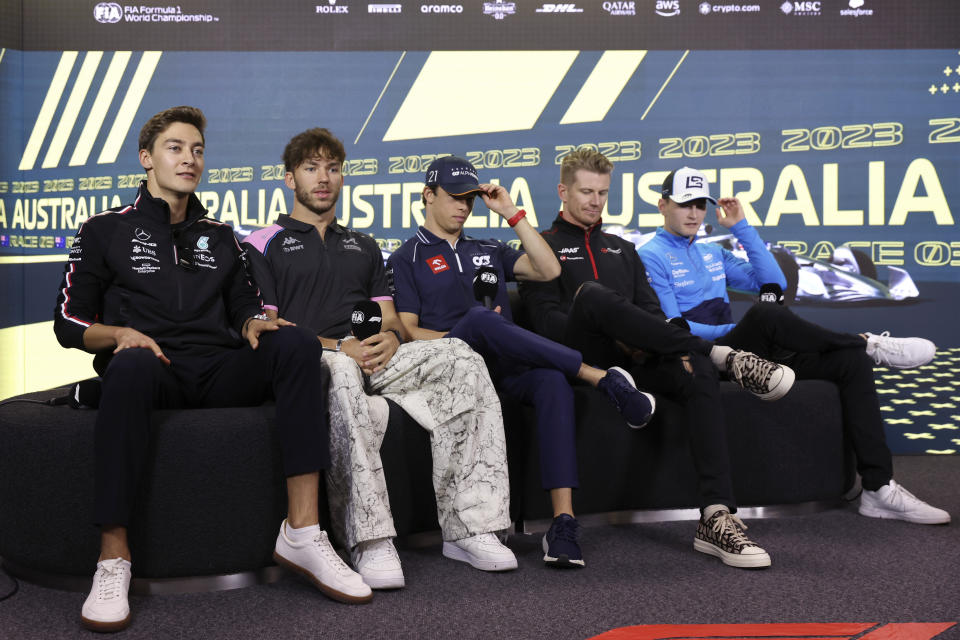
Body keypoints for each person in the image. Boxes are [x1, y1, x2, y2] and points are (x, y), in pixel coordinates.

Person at [53, 108, 371, 632]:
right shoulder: (104, 229)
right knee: (127, 369)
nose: (189, 159)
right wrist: (119, 336)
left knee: (293, 343)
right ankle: (113, 557)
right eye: (175, 148)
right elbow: (68, 322)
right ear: (146, 159)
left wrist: (252, 323)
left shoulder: (220, 235)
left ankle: (304, 531)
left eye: (197, 150)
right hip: (150, 366)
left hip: (217, 368)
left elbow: (244, 304)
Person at [243, 129, 514, 583]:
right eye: (311, 168)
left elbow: (387, 318)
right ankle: (369, 541)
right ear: (289, 179)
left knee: (461, 356)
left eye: (332, 168)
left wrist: (390, 339)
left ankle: (472, 527)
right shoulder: (263, 242)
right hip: (317, 362)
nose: (323, 178)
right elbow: (272, 329)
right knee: (345, 370)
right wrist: (338, 346)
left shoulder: (364, 245)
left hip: (373, 357)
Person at [519, 149, 798, 570]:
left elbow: (652, 314)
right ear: (563, 190)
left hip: (637, 357)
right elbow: (547, 325)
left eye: (603, 193)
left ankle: (716, 517)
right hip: (582, 360)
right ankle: (725, 356)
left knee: (696, 370)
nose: (595, 201)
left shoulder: (623, 249)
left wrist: (644, 339)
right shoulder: (540, 248)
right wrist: (624, 332)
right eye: (586, 191)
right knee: (592, 295)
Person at [638, 165, 950, 526]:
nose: (693, 213)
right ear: (662, 205)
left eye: (699, 205)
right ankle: (864, 342)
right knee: (765, 317)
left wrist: (741, 227)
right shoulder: (650, 256)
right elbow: (675, 328)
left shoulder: (712, 253)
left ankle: (878, 489)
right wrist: (742, 328)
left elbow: (774, 284)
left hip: (750, 356)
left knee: (848, 363)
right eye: (683, 204)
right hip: (707, 360)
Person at [387, 156, 657, 569]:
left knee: (551, 380)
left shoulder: (488, 248)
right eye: (455, 197)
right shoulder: (407, 257)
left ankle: (562, 524)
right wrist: (470, 336)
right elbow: (407, 331)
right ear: (428, 196)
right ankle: (598, 377)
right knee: (479, 320)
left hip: (502, 366)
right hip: (450, 366)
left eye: (471, 199)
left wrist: (511, 213)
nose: (464, 206)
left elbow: (549, 270)